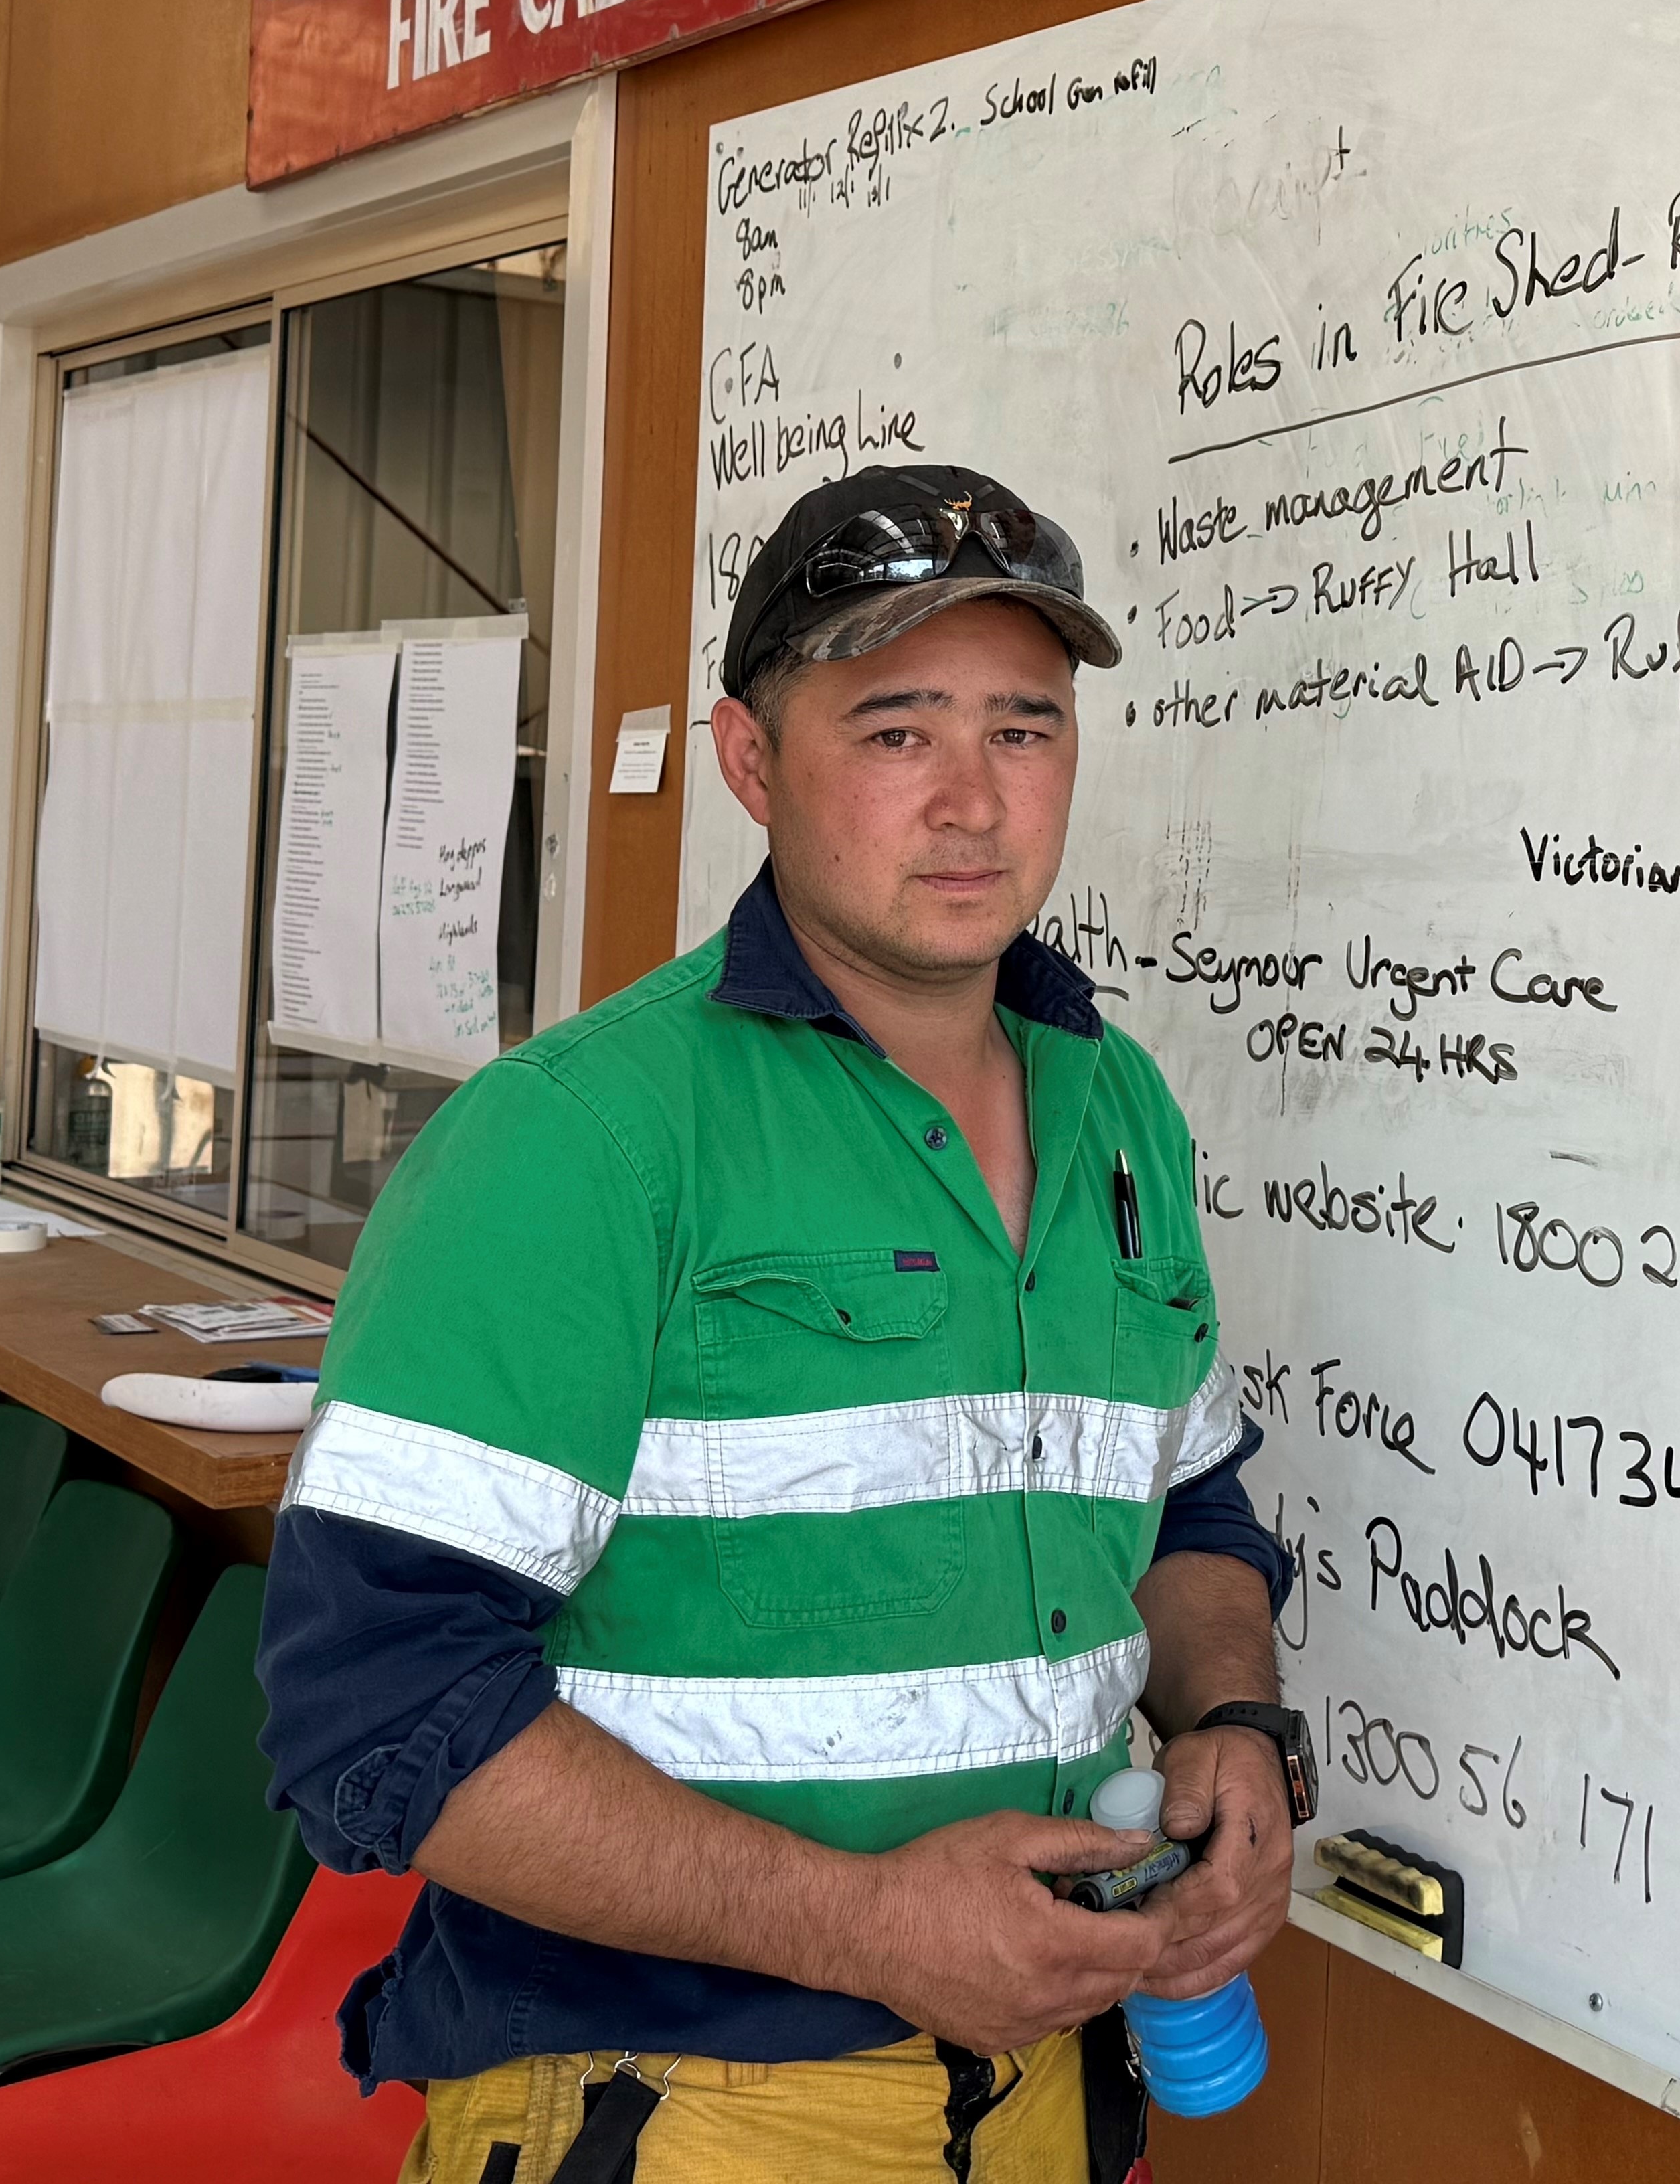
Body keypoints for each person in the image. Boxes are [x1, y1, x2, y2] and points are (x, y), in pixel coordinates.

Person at [260, 463, 1310, 2184]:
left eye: (1025, 728)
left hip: (1050, 2087)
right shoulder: (580, 1138)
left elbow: (1186, 1505)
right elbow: (377, 1707)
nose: (973, 800)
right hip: (671, 2100)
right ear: (752, 761)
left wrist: (1231, 1726)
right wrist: (861, 1923)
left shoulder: (1116, 1106)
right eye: (897, 730)